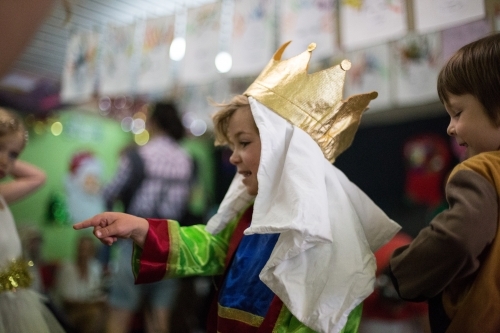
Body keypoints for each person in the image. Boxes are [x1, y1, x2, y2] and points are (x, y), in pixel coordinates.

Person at [74, 42, 400, 333]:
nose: (232, 158)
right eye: (232, 145)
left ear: (285, 148)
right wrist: (143, 228)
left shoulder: (329, 234)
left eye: (243, 142)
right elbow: (215, 247)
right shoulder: (251, 211)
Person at [389, 33, 500, 333]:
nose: (450, 128)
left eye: (457, 112)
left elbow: (457, 239)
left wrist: (399, 273)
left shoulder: (481, 170)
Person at [102, 102, 193, 333]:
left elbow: (110, 192)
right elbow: (189, 201)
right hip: (169, 239)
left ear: (153, 123)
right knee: (159, 317)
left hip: (135, 239)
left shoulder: (138, 155)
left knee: (120, 312)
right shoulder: (187, 160)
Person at [0, 107, 65, 333]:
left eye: (14, 154)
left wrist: (6, 158)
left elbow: (39, 177)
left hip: (14, 302)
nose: (5, 161)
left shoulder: (2, 195)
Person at [54, 234, 107, 333]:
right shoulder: (67, 268)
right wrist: (92, 304)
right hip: (68, 313)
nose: (84, 253)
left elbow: (98, 292)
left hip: (90, 309)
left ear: (93, 251)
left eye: (88, 249)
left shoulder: (96, 267)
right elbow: (67, 301)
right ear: (77, 249)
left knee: (103, 313)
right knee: (95, 313)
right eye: (82, 249)